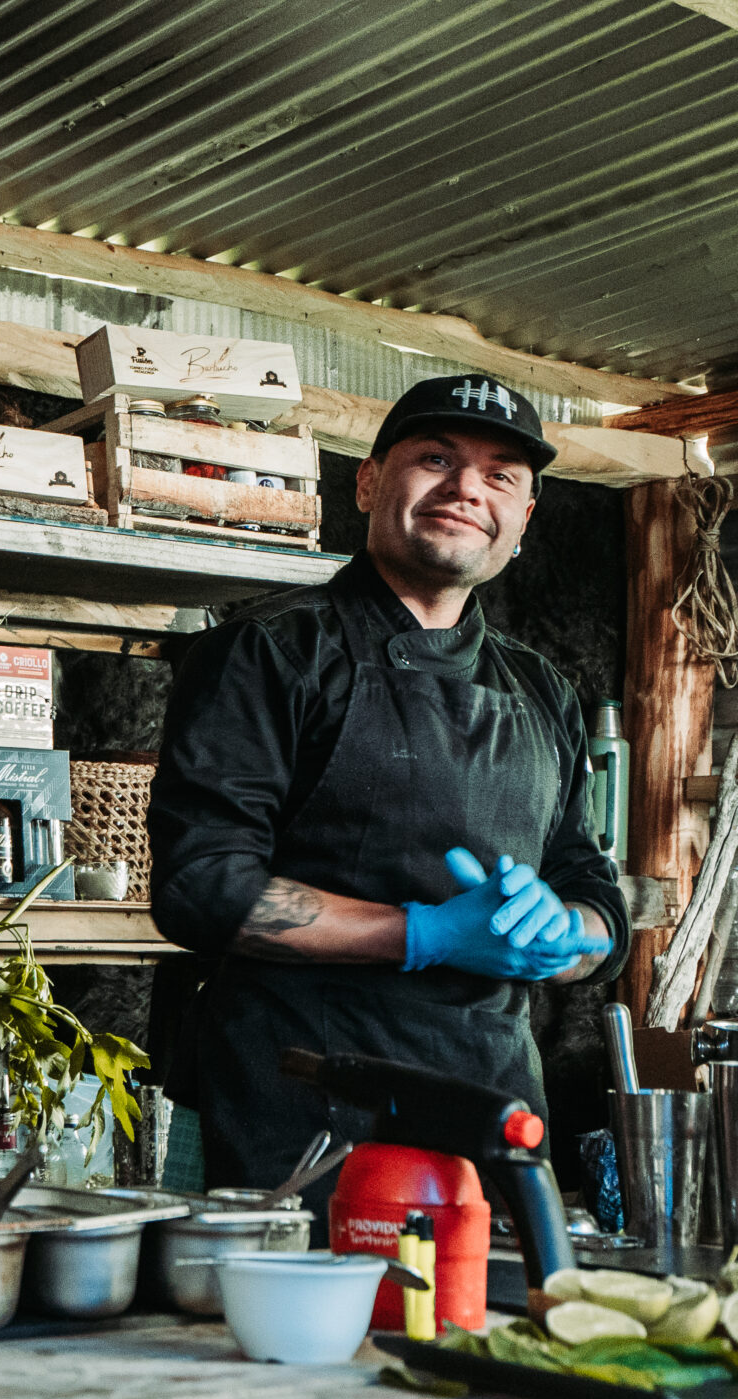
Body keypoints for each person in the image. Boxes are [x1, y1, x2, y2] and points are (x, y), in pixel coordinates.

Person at [147, 373, 629, 1191]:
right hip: (295, 1113)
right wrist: (424, 933)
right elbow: (201, 886)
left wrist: (568, 933)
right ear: (369, 482)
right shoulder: (266, 652)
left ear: (524, 518)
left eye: (500, 475)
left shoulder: (543, 691)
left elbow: (594, 893)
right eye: (436, 458)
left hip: (488, 1115)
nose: (467, 487)